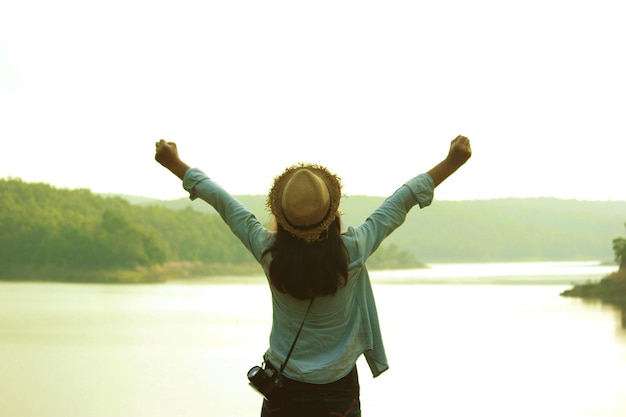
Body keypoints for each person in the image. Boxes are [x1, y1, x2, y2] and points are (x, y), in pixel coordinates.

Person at [154, 135, 472, 417]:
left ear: (281, 213)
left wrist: (175, 164)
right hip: (338, 391)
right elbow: (401, 200)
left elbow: (223, 202)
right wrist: (452, 161)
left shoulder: (268, 251)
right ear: (332, 213)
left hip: (283, 386)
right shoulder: (354, 250)